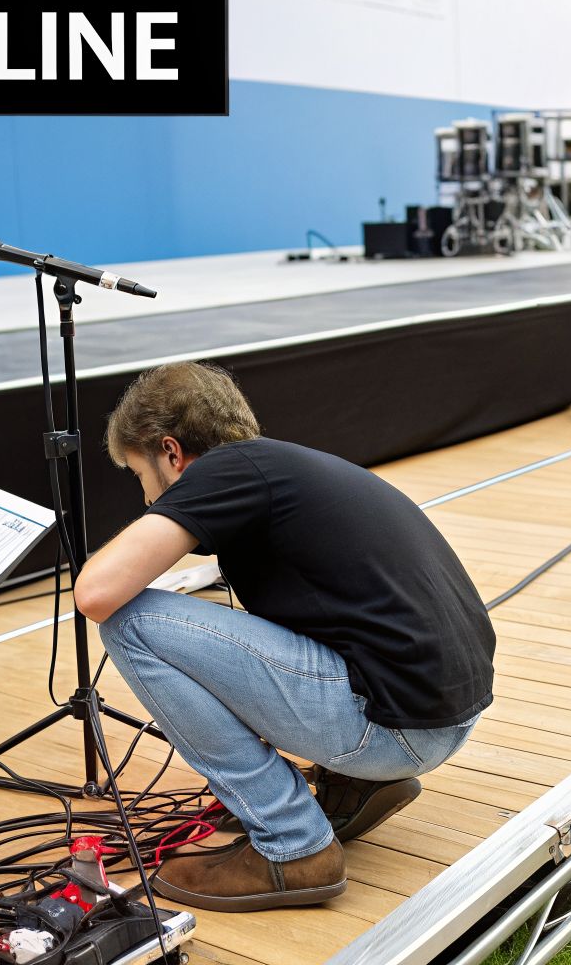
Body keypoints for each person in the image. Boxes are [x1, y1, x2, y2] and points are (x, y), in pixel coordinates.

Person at [74, 362, 494, 912]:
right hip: (444, 720)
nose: (147, 496)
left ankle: (291, 843)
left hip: (393, 730)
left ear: (170, 452)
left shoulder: (226, 470)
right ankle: (353, 784)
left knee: (130, 621)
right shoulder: (287, 467)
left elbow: (96, 593)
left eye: (139, 474)